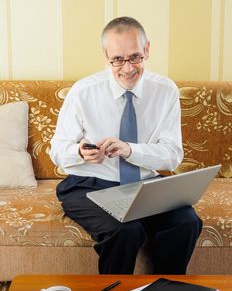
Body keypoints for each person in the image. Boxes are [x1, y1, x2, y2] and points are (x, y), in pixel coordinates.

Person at [50, 16, 202, 274]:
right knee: (125, 230)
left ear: (147, 50)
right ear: (105, 56)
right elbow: (57, 150)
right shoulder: (84, 91)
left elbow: (173, 155)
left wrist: (131, 150)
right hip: (88, 185)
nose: (128, 68)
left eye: (135, 57)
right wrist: (80, 152)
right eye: (117, 59)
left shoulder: (165, 91)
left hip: (144, 186)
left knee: (186, 221)